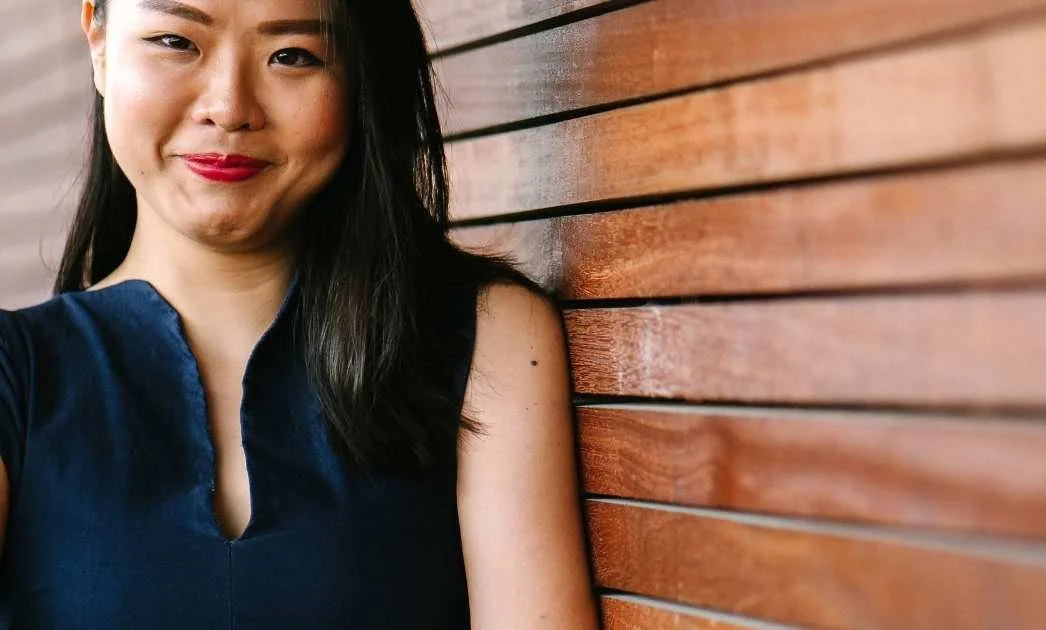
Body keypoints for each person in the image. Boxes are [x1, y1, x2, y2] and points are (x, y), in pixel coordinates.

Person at [0, 0, 599, 627]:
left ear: (359, 75)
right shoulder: (17, 379)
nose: (230, 108)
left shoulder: (485, 341)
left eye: (292, 56)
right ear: (97, 38)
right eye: (176, 42)